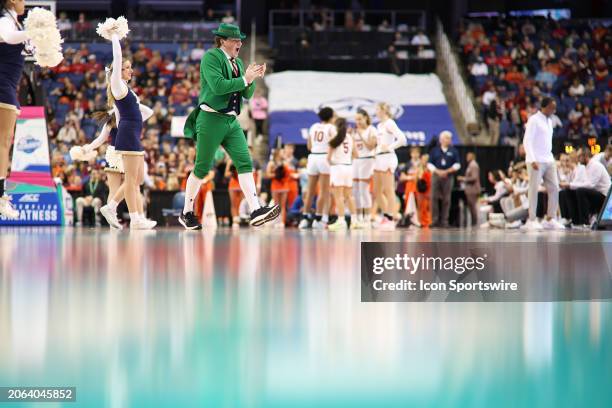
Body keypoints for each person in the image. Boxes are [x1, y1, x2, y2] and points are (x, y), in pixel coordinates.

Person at [182, 23, 279, 230]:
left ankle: (255, 210)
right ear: (222, 41)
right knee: (202, 167)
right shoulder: (211, 57)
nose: (240, 43)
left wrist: (251, 80)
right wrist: (246, 78)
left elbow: (247, 95)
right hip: (210, 119)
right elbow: (217, 87)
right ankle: (186, 212)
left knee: (245, 162)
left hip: (231, 120)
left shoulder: (238, 62)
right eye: (235, 40)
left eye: (240, 40)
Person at [98, 22, 157, 230]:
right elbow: (117, 57)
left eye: (131, 67)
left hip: (133, 133)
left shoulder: (128, 90)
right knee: (132, 179)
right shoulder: (117, 85)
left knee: (138, 178)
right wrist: (115, 36)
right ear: (117, 71)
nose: (131, 70)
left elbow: (141, 112)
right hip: (128, 134)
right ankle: (136, 218)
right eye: (127, 67)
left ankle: (111, 206)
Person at [0, 0, 29, 218]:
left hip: (8, 86)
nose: (24, 2)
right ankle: (1, 198)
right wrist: (32, 32)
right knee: (3, 142)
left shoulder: (15, 23)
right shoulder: (4, 21)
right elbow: (8, 37)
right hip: (2, 86)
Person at [522, 97, 565, 231]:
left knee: (554, 188)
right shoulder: (533, 120)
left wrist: (552, 160)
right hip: (536, 161)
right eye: (552, 107)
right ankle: (532, 219)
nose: (554, 110)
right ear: (544, 107)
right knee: (533, 189)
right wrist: (532, 158)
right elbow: (527, 140)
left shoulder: (550, 121)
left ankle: (550, 219)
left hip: (549, 159)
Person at [298, 107, 335, 230]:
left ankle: (305, 218)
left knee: (310, 190)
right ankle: (318, 219)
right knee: (324, 191)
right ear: (331, 117)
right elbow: (334, 145)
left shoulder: (314, 126)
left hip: (313, 157)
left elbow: (309, 145)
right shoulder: (331, 128)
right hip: (324, 157)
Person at [373, 102, 406, 230]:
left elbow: (402, 139)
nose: (375, 111)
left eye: (377, 109)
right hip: (379, 158)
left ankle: (391, 218)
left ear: (383, 110)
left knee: (389, 190)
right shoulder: (379, 125)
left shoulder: (389, 123)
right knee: (376, 191)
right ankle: (387, 215)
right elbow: (380, 143)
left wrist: (390, 147)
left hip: (388, 158)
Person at [567, 148, 611, 229]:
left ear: (586, 156)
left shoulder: (595, 165)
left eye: (579, 156)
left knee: (581, 191)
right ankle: (576, 221)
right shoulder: (585, 167)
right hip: (596, 194)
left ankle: (585, 222)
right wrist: (569, 186)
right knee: (569, 191)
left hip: (605, 198)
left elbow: (590, 185)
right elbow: (581, 183)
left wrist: (570, 185)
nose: (577, 159)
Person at [327, 118, 358, 231]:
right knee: (349, 196)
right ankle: (355, 221)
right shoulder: (350, 137)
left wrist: (334, 164)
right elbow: (356, 154)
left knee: (338, 196)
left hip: (337, 167)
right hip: (348, 167)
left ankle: (341, 221)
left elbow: (328, 158)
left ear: (336, 126)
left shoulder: (334, 138)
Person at [428, 130, 460, 228]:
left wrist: (447, 171)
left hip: (448, 176)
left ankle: (444, 221)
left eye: (450, 138)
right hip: (436, 176)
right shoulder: (435, 150)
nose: (449, 140)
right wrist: (438, 172)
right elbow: (429, 164)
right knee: (434, 198)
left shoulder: (453, 151)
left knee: (447, 199)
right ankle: (434, 220)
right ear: (441, 139)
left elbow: (457, 164)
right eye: (447, 138)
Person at [351, 108, 377, 227]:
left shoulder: (372, 130)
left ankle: (367, 217)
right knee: (355, 191)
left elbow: (371, 146)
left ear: (366, 118)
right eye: (356, 119)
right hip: (356, 161)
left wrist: (361, 135)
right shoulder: (354, 131)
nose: (358, 122)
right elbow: (353, 150)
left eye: (360, 119)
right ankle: (358, 217)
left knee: (364, 190)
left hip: (367, 159)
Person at [266, 148, 290, 228]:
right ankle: (277, 221)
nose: (283, 153)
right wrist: (275, 175)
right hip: (275, 185)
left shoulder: (285, 162)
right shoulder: (271, 163)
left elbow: (288, 174)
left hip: (284, 186)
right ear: (277, 153)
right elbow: (267, 174)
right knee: (276, 205)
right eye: (282, 152)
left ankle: (282, 222)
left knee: (283, 205)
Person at [458, 152, 481, 226]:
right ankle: (473, 222)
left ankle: (474, 223)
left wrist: (463, 179)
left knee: (473, 206)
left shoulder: (473, 165)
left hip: (473, 189)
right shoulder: (470, 165)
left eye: (468, 156)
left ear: (472, 157)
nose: (467, 157)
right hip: (469, 189)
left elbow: (474, 177)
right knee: (471, 207)